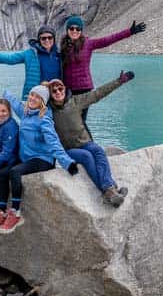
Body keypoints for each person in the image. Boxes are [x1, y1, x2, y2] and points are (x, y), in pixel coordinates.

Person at [0, 84, 77, 234]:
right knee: (3, 173)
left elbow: (54, 142)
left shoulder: (44, 118)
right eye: (31, 95)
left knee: (15, 172)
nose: (33, 98)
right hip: (26, 159)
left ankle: (16, 213)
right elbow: (15, 103)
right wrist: (5, 93)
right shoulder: (25, 112)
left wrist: (67, 163)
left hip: (42, 160)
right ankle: (1, 211)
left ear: (43, 101)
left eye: (37, 97)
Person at [45, 73, 133, 207]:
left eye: (60, 88)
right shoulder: (48, 111)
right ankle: (111, 190)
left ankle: (109, 191)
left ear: (65, 89)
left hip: (85, 143)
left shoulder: (76, 101)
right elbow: (32, 104)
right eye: (54, 90)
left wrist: (119, 81)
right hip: (68, 150)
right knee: (86, 156)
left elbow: (98, 93)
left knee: (97, 150)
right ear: (50, 94)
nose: (58, 92)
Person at [0, 25, 61, 100]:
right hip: (37, 97)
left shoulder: (60, 54)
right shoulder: (30, 54)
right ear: (39, 40)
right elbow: (10, 58)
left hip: (57, 95)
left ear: (54, 39)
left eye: (50, 37)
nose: (47, 40)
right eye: (43, 38)